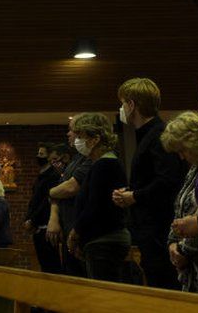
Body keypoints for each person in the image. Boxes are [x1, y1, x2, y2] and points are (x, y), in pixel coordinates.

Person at [111, 78, 185, 289]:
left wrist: (134, 196)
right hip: (150, 228)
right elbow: (152, 179)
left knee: (162, 285)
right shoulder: (147, 135)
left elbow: (168, 180)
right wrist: (131, 191)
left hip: (159, 230)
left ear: (132, 105)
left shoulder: (158, 135)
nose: (122, 108)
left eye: (123, 102)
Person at [67, 113, 130, 283]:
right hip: (99, 240)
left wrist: (76, 232)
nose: (77, 141)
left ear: (94, 139)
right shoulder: (100, 164)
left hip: (105, 241)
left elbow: (95, 206)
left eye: (80, 136)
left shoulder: (105, 164)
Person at [161, 112, 198, 292]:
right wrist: (173, 244)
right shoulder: (195, 169)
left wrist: (183, 250)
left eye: (182, 150)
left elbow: (196, 221)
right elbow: (181, 208)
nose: (181, 157)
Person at [47, 117, 93, 277]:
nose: (68, 134)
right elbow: (58, 193)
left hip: (84, 231)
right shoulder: (75, 160)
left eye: (72, 130)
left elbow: (69, 188)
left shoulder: (92, 159)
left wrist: (52, 191)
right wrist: (54, 218)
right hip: (68, 229)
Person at [24, 142, 63, 273]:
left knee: (51, 265)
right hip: (37, 227)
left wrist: (33, 220)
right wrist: (28, 218)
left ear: (48, 157)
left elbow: (46, 202)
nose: (38, 156)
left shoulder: (53, 176)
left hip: (46, 226)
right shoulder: (40, 177)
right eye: (38, 153)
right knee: (44, 264)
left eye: (41, 154)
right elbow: (34, 200)